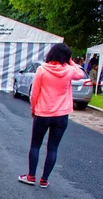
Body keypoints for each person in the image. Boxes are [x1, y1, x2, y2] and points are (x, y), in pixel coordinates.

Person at [19, 43, 85, 188]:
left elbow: (34, 93)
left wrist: (33, 108)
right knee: (53, 148)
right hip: (61, 115)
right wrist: (71, 61)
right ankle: (44, 179)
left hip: (43, 113)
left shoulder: (42, 69)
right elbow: (80, 73)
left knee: (35, 145)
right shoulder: (68, 70)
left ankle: (31, 176)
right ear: (66, 57)